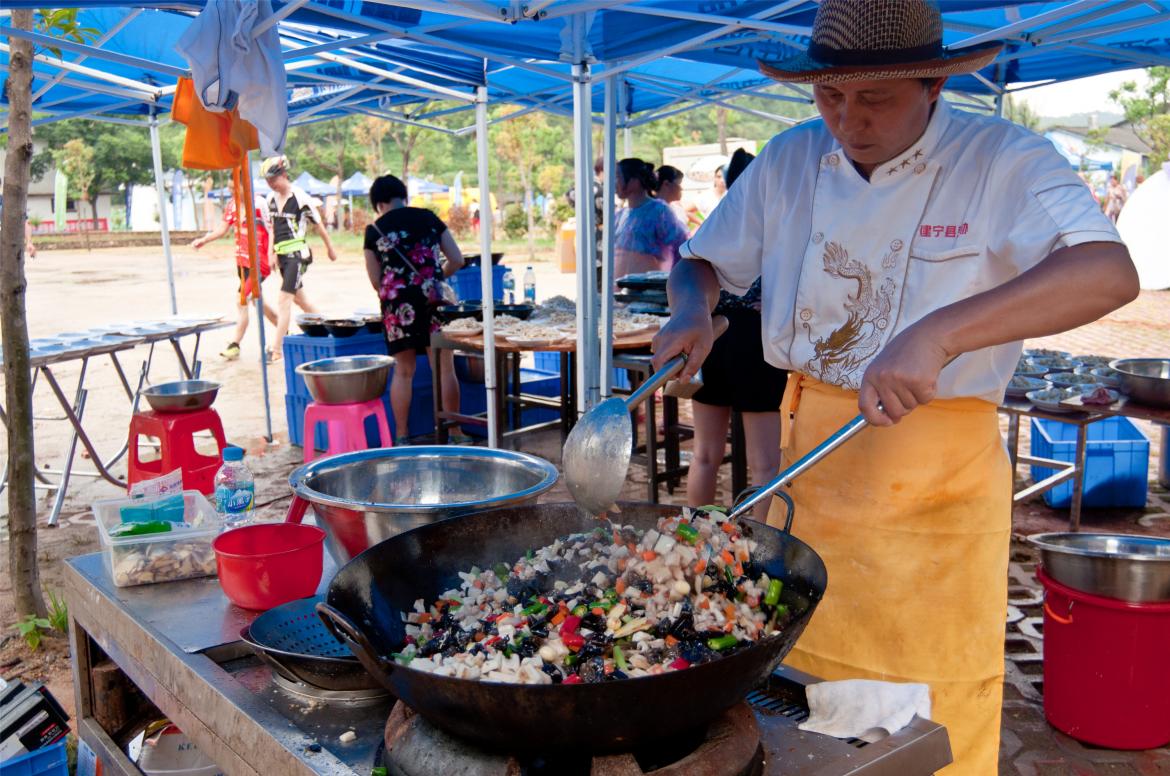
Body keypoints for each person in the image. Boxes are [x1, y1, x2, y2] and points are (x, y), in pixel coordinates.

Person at [651, 1, 1137, 773]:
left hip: (934, 477)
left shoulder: (1002, 160)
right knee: (805, 701)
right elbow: (704, 260)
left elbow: (1106, 274)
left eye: (874, 97)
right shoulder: (789, 159)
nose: (848, 120)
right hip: (812, 459)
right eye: (830, 97)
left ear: (932, 85)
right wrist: (691, 308)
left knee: (923, 713)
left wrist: (937, 333)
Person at [687, 150, 785, 521]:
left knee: (705, 454)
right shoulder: (775, 223)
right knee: (765, 465)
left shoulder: (717, 221)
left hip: (712, 334)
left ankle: (694, 539)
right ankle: (761, 545)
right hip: (755, 343)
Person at [363, 174, 468, 446]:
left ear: (379, 202)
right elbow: (457, 259)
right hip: (432, 301)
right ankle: (454, 433)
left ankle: (402, 436)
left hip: (398, 307)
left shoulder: (374, 230)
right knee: (444, 368)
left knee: (404, 371)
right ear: (403, 195)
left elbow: (376, 282)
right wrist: (435, 281)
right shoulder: (428, 217)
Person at [261, 155, 338, 362]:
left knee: (284, 299)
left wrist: (330, 249)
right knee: (301, 300)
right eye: (268, 182)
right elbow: (273, 230)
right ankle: (328, 329)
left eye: (273, 180)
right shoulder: (270, 200)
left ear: (284, 175)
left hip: (297, 255)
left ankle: (277, 350)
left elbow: (319, 226)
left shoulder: (301, 198)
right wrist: (271, 253)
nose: (271, 185)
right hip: (282, 256)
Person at [191, 197, 278, 360]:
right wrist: (203, 240)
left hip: (259, 262)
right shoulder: (232, 205)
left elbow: (271, 229)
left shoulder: (258, 203)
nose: (234, 192)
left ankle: (235, 344)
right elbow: (222, 229)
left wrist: (272, 253)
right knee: (257, 301)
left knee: (242, 300)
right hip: (242, 261)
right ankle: (284, 330)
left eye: (235, 188)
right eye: (231, 190)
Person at [613, 158, 688, 279]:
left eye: (617, 177)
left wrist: (675, 281)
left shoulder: (659, 211)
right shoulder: (620, 215)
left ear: (635, 180)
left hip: (648, 290)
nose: (614, 182)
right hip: (622, 290)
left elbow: (680, 245)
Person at [655, 165, 703, 232]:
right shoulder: (655, 211)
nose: (681, 188)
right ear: (666, 184)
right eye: (679, 183)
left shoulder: (677, 208)